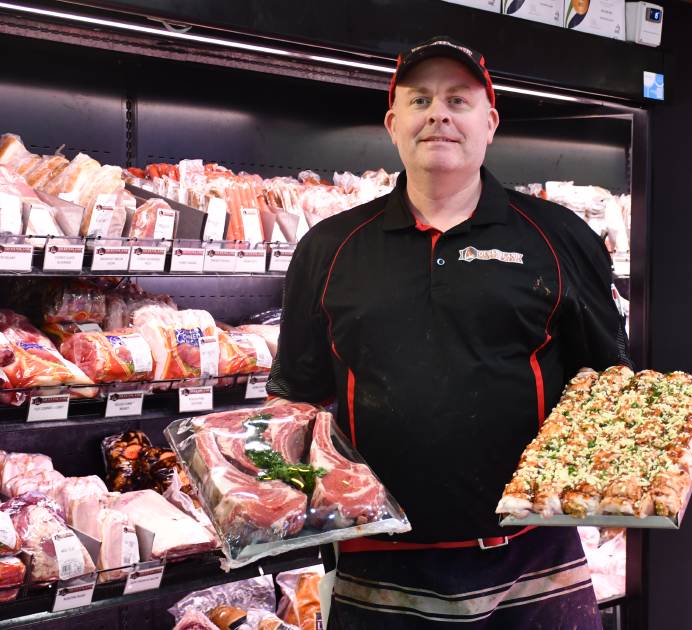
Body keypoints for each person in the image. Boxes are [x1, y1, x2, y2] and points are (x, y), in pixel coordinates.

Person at [267, 36, 629, 629]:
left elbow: (609, 385)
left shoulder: (558, 238)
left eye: (458, 100)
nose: (438, 114)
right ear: (392, 123)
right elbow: (293, 401)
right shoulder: (329, 248)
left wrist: (619, 490)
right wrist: (267, 494)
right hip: (378, 570)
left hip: (533, 564)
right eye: (420, 100)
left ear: (490, 122)